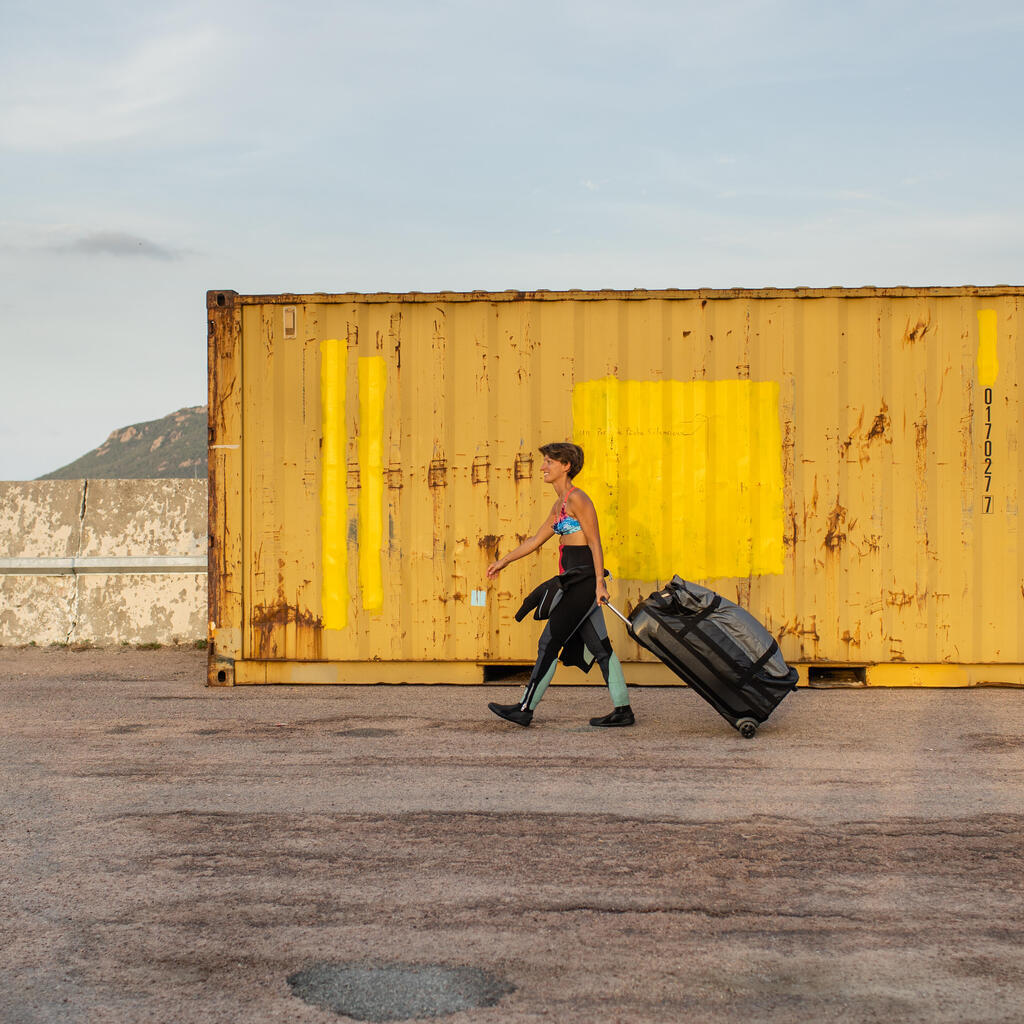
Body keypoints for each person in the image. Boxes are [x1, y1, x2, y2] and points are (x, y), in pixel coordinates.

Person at [485, 442, 634, 728]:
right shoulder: (559, 504)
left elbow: (594, 541)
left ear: (566, 466)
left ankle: (525, 709)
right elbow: (534, 541)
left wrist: (600, 584)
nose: (543, 466)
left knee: (549, 641)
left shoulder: (579, 499)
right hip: (574, 581)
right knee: (601, 648)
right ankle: (623, 710)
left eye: (549, 462)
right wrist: (504, 561)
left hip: (583, 581)